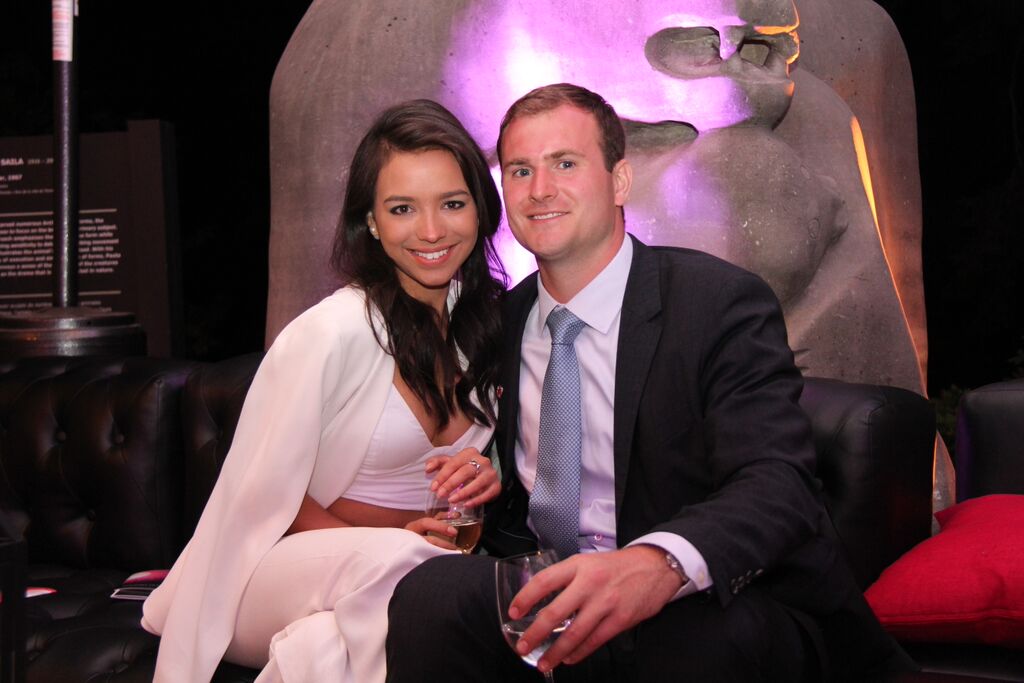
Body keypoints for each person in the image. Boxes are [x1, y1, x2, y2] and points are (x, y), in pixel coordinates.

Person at [385, 84, 914, 681]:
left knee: (690, 644)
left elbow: (777, 482)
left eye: (565, 163)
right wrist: (486, 482)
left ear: (619, 181)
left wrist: (656, 563)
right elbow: (536, 467)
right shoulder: (503, 323)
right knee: (428, 595)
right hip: (556, 586)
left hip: (701, 598)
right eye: (520, 170)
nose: (540, 189)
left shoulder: (718, 304)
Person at [141, 99, 508, 683]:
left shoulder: (487, 327)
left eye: (452, 203)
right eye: (403, 208)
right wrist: (395, 539)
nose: (432, 230)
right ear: (372, 222)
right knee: (411, 574)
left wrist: (486, 478)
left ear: (481, 209)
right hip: (261, 577)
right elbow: (266, 501)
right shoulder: (331, 333)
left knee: (330, 644)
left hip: (404, 573)